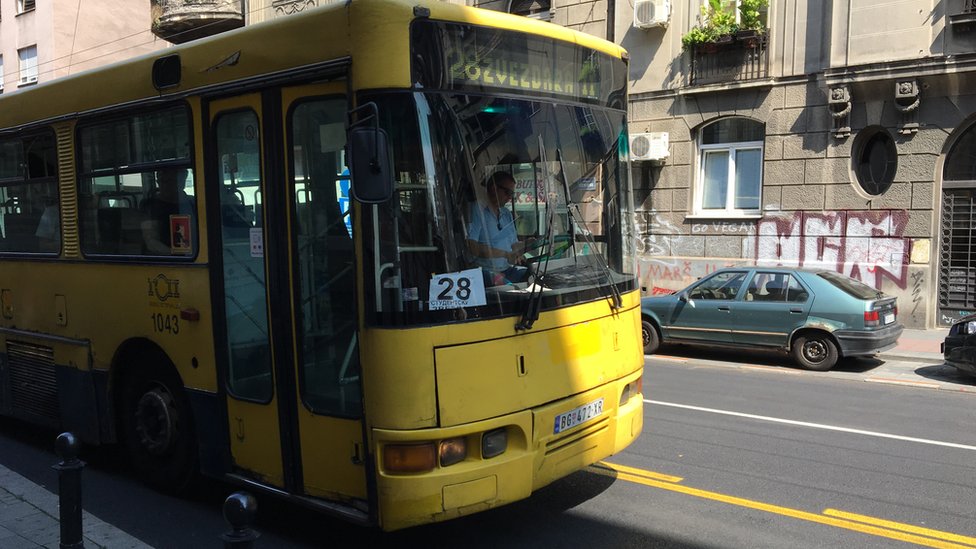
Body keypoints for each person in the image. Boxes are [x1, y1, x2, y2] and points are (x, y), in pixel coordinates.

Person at [466, 171, 529, 285]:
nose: (510, 198)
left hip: (506, 269)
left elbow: (512, 245)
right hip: (484, 271)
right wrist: (504, 254)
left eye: (512, 194)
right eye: (507, 192)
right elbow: (472, 247)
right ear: (494, 188)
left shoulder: (506, 214)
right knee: (511, 288)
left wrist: (527, 244)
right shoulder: (477, 210)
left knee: (533, 276)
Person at [141, 168, 195, 254]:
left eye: (174, 180)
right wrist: (178, 257)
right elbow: (150, 240)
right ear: (158, 181)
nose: (170, 185)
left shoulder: (194, 202)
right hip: (164, 261)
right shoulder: (149, 205)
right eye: (165, 181)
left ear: (184, 179)